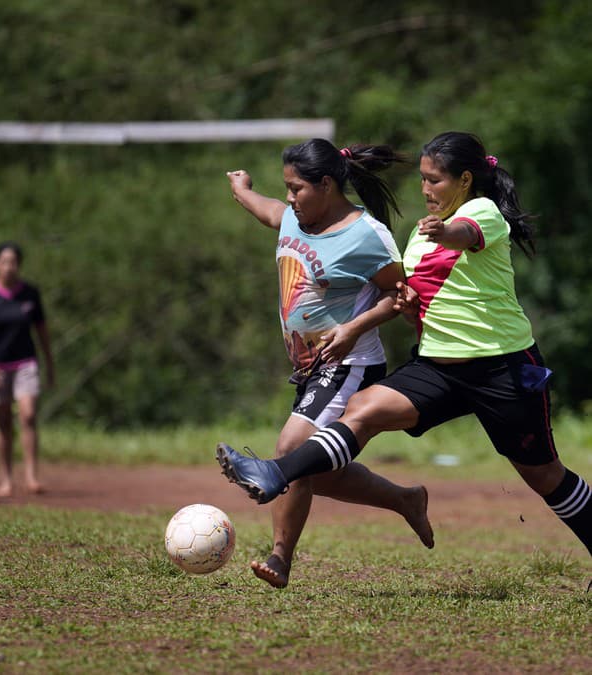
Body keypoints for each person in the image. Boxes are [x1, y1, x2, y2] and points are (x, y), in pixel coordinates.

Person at [217, 131, 591, 560]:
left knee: (544, 476)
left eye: (435, 180)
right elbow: (403, 293)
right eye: (423, 180)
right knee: (363, 410)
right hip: (438, 367)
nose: (426, 189)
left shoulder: (482, 212)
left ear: (465, 180)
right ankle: (274, 472)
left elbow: (462, 235)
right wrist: (406, 300)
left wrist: (443, 230)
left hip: (500, 368)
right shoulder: (417, 236)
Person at [222, 139, 434, 588]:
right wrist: (241, 188)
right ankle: (405, 499)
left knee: (290, 453)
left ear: (325, 184)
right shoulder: (293, 220)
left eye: (297, 188)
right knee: (315, 471)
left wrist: (354, 329)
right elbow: (265, 209)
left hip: (350, 363)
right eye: (286, 188)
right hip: (310, 370)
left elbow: (400, 296)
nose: (290, 197)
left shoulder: (366, 235)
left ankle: (279, 558)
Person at [0, 242, 55, 497]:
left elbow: (41, 330)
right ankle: (6, 479)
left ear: (19, 264)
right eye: (4, 261)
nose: (9, 266)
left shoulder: (30, 293)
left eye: (13, 261)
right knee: (4, 421)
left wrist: (49, 363)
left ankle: (31, 477)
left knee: (28, 415)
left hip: (26, 363)